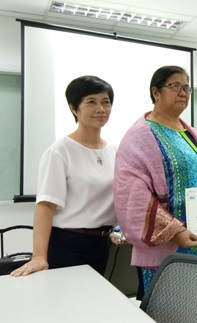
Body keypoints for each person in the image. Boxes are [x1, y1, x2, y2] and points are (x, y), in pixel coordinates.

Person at [113, 65, 197, 297]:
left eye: (187, 87)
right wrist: (175, 231)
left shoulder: (192, 133)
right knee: (166, 308)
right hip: (164, 244)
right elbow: (133, 194)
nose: (183, 92)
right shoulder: (140, 135)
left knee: (193, 305)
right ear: (156, 92)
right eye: (175, 86)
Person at [11, 75, 122, 277]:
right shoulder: (60, 152)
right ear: (73, 108)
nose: (101, 109)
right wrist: (38, 256)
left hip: (102, 243)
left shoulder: (115, 151)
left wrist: (110, 231)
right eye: (91, 102)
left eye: (106, 102)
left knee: (93, 302)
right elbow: (45, 206)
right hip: (68, 245)